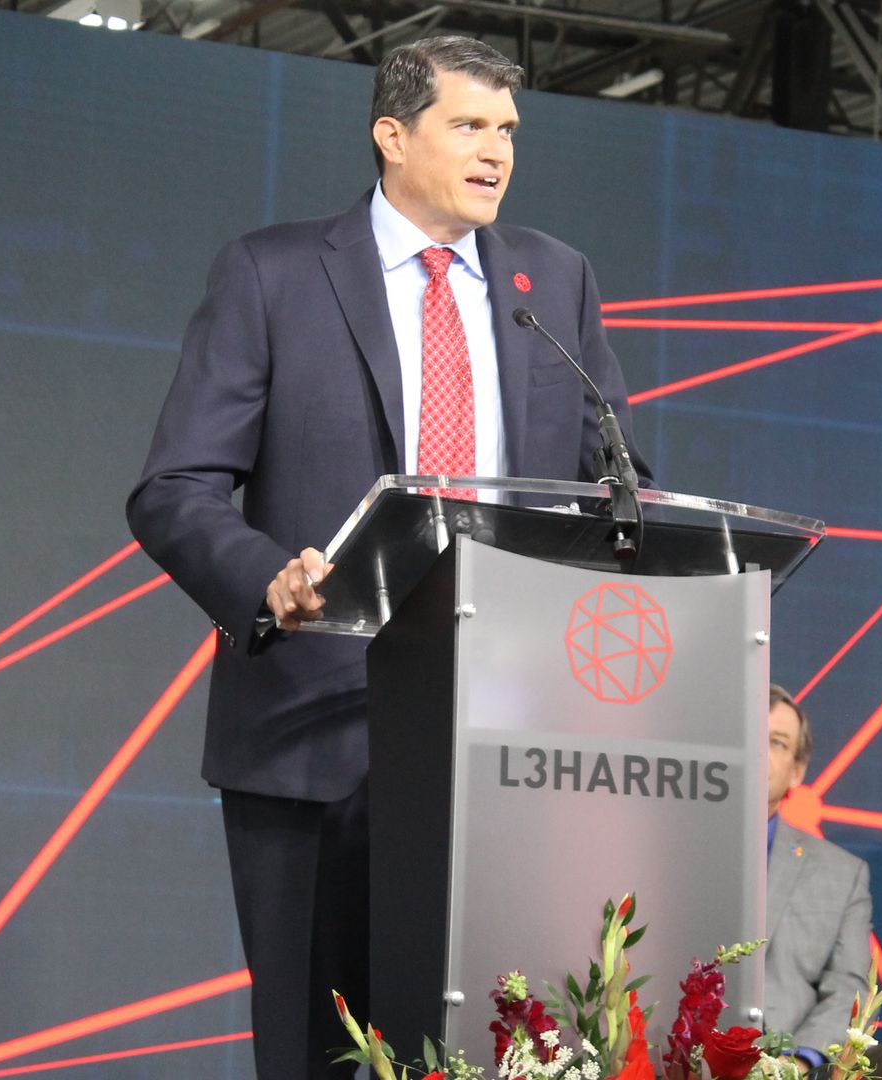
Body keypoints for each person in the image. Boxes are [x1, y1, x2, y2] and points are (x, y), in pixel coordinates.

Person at [126, 36, 648, 1080]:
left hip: (508, 740)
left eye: (508, 131)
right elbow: (173, 489)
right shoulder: (275, 274)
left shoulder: (555, 281)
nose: (496, 151)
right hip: (315, 731)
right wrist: (266, 578)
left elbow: (619, 488)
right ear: (393, 135)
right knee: (315, 1056)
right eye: (470, 125)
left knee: (494, 1054)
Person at [765, 685, 882, 1080]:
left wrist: (798, 1061)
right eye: (750, 738)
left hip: (795, 1062)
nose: (760, 753)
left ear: (797, 771)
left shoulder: (842, 874)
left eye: (777, 743)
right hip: (685, 1048)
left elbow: (849, 988)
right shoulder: (667, 845)